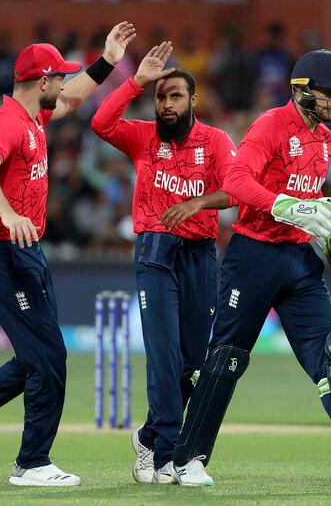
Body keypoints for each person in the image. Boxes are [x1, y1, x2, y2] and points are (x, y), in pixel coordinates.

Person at [169, 50, 331, 491]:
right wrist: (286, 204)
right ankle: (187, 459)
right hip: (254, 257)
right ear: (302, 92)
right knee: (227, 357)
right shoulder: (271, 125)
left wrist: (326, 232)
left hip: (300, 261)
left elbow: (307, 201)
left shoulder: (326, 139)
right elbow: (238, 182)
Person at [0, 22, 137, 487]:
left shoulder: (33, 117)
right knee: (47, 357)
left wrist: (106, 59)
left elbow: (74, 98)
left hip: (26, 250)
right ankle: (31, 463)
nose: (64, 84)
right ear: (40, 81)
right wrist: (7, 215)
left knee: (40, 356)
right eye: (59, 77)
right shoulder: (6, 123)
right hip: (0, 252)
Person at [91, 42, 237, 484]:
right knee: (163, 357)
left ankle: (148, 435)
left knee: (191, 360)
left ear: (193, 100)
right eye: (160, 97)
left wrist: (199, 203)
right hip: (155, 254)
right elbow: (100, 122)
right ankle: (167, 452)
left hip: (199, 256)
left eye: (175, 96)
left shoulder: (215, 142)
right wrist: (135, 81)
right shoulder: (142, 136)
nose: (166, 104)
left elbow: (235, 191)